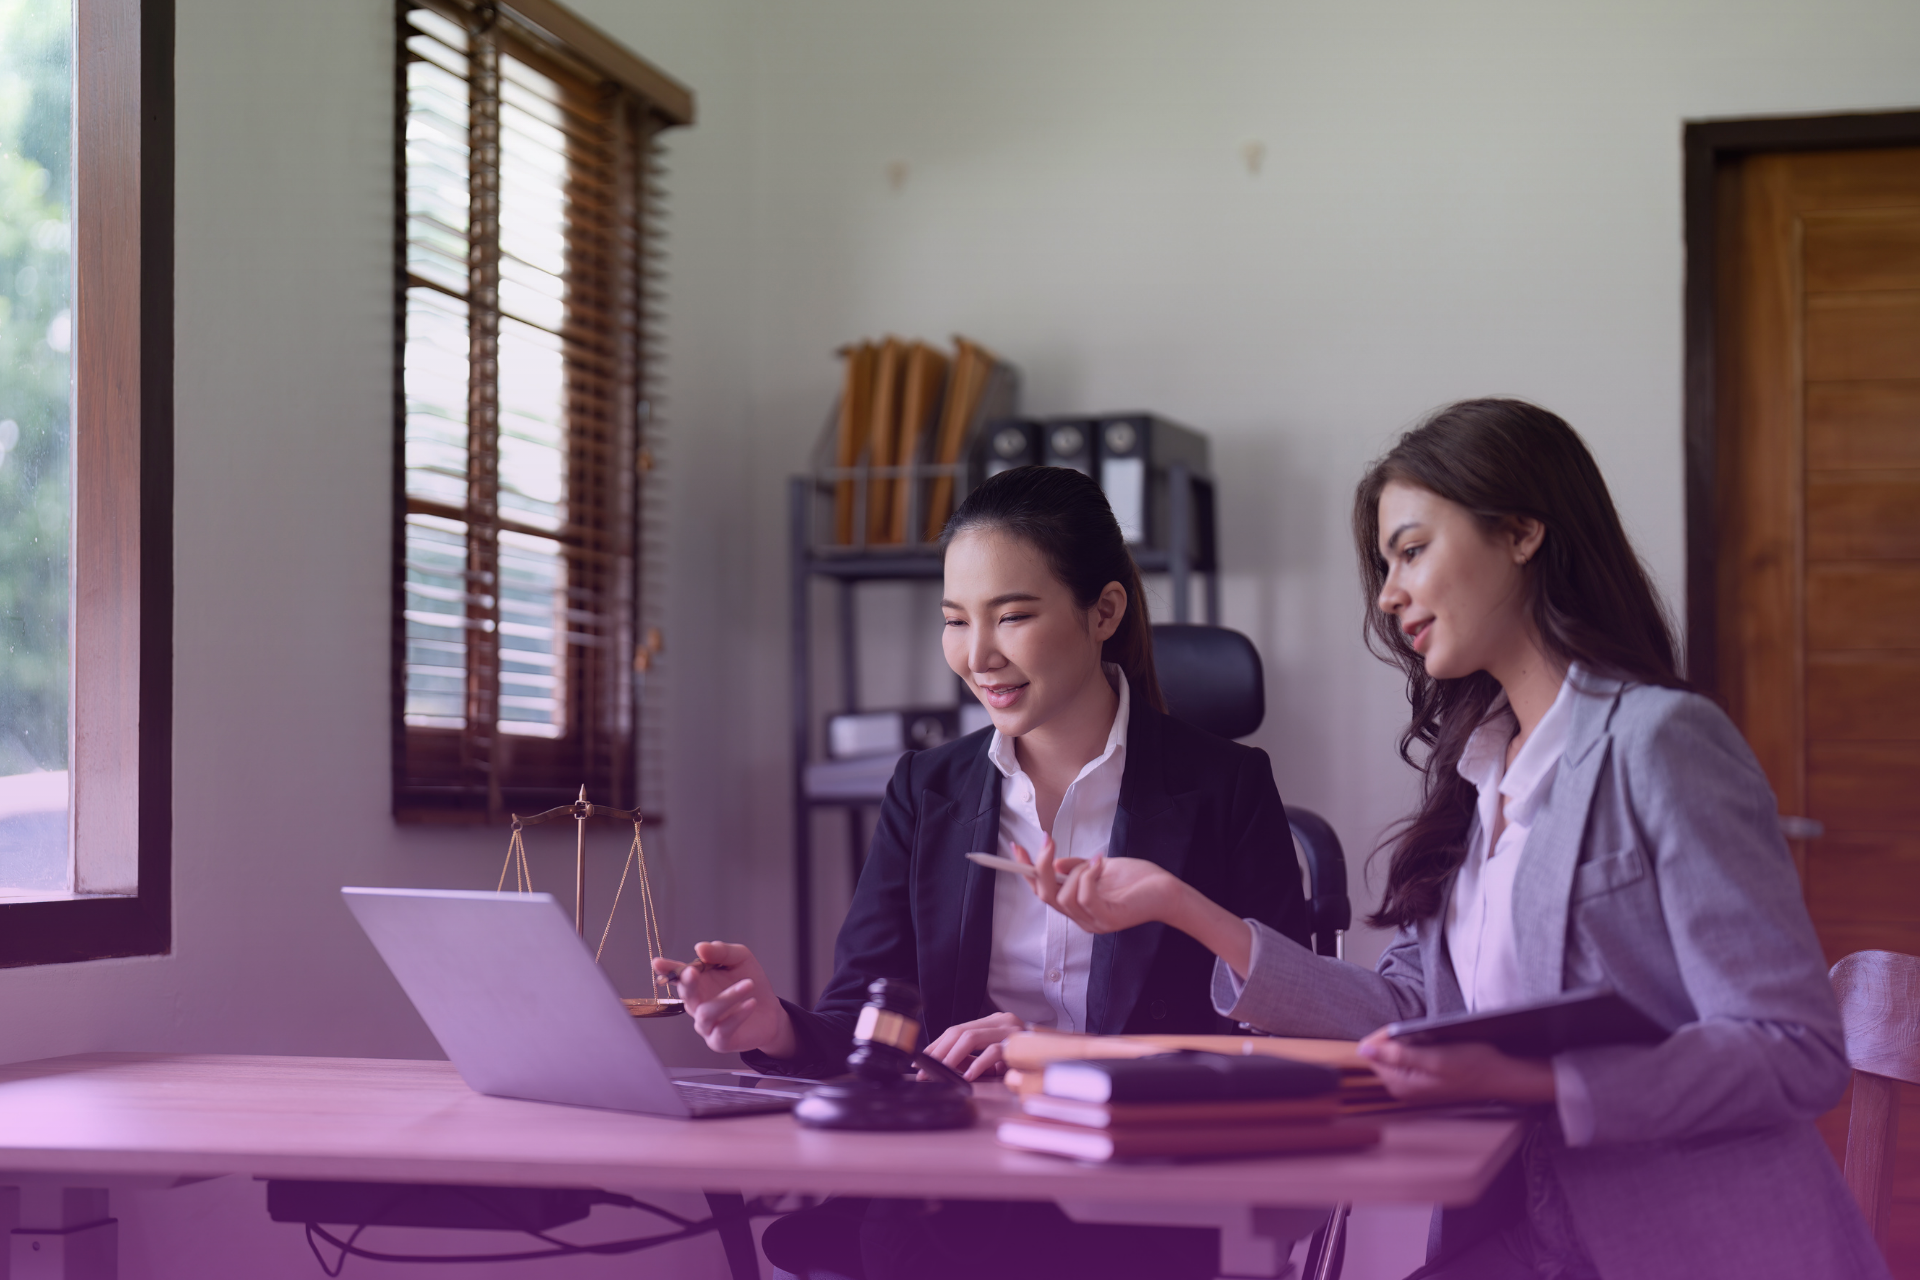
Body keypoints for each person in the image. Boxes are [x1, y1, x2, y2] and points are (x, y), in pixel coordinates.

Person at [1023, 399, 1886, 1280]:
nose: (1389, 595)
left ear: (1521, 531)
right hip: (1528, 1234)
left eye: (1411, 551)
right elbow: (1411, 1014)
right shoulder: (1479, 781)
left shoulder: (1658, 743)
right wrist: (1181, 907)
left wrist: (1543, 1083)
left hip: (1685, 1246)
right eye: (1385, 565)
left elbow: (1795, 1049)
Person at [662, 464, 1313, 1280]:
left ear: (1104, 611)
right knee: (908, 1239)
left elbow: (1281, 1041)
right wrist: (774, 1029)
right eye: (955, 621)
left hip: (1142, 1181)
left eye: (1013, 616)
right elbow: (871, 1028)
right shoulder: (926, 789)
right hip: (955, 1176)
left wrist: (1064, 1056)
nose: (977, 656)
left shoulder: (1225, 787)